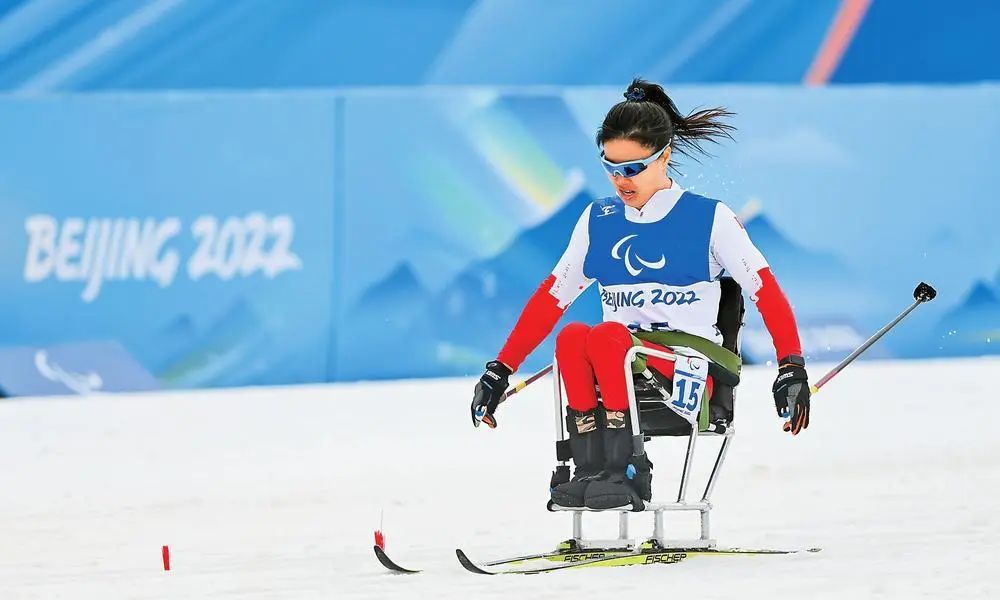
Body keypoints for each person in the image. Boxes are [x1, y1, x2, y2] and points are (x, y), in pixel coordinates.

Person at [470, 78, 811, 511]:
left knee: (608, 338)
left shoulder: (709, 218)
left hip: (688, 374)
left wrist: (791, 367)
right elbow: (550, 299)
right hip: (621, 362)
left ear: (664, 156)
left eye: (633, 168)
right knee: (573, 337)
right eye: (610, 167)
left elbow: (767, 293)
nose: (620, 180)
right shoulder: (599, 220)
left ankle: (630, 468)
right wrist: (499, 370)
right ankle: (589, 467)